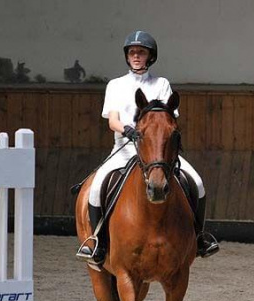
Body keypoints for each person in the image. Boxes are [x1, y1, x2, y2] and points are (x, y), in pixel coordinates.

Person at [78, 30, 219, 265]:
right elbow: (112, 120)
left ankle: (200, 237)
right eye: (132, 52)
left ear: (149, 57)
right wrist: (128, 130)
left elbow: (168, 119)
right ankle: (97, 241)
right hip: (124, 147)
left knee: (197, 182)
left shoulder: (161, 84)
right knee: (96, 187)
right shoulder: (116, 85)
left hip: (158, 151)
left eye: (141, 52)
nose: (136, 56)